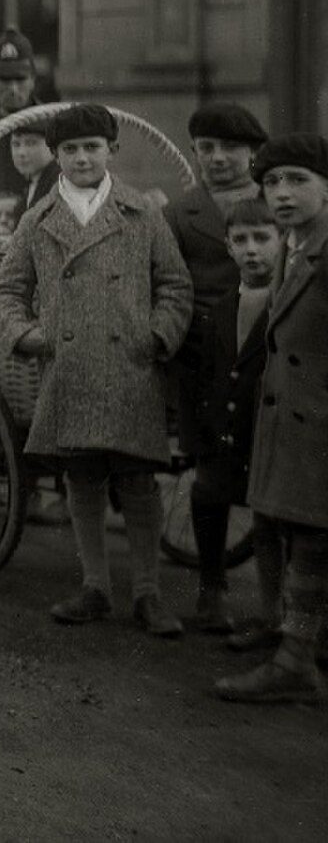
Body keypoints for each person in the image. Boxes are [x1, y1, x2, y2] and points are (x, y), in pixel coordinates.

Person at [0, 104, 193, 638]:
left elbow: (175, 284)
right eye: (71, 150)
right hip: (70, 365)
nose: (82, 158)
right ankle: (96, 587)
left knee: (137, 477)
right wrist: (30, 336)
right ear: (55, 157)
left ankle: (148, 593)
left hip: (130, 363)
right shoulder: (38, 222)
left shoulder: (141, 213)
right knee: (81, 473)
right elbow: (8, 291)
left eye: (92, 148)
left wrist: (155, 336)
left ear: (112, 151)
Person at [216, 134, 328, 703]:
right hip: (291, 414)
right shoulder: (296, 243)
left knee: (311, 538)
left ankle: (296, 661)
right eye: (273, 182)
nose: (282, 193)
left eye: (298, 181)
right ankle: (295, 646)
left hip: (320, 420)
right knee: (296, 532)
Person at [183, 197, 281, 635]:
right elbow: (206, 377)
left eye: (262, 238)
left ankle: (274, 612)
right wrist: (198, 436)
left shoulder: (287, 304)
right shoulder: (221, 308)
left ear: (282, 240)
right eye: (240, 240)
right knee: (207, 495)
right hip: (224, 431)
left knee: (272, 523)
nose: (252, 250)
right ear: (227, 246)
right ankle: (211, 589)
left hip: (268, 434)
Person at [164, 104, 269, 514]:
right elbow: (168, 282)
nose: (218, 157)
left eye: (230, 147)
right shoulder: (179, 213)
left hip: (263, 345)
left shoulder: (273, 203)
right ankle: (212, 573)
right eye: (206, 148)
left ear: (253, 155)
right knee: (210, 473)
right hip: (204, 355)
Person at [0, 31, 46, 196]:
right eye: (4, 79)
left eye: (20, 79)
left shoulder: (51, 126)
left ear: (33, 80)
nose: (13, 89)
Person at [7, 117, 60, 213]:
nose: (21, 152)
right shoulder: (35, 183)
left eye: (31, 143)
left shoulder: (60, 184)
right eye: (16, 144)